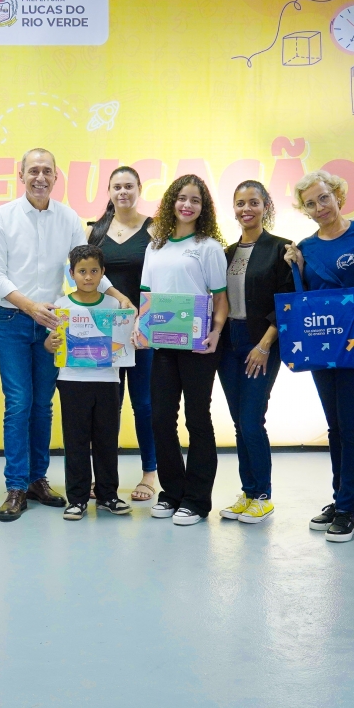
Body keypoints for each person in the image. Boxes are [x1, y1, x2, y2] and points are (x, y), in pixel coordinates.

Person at [0, 147, 133, 522]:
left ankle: (38, 479)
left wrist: (118, 296)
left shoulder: (68, 217)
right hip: (13, 321)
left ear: (55, 176)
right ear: (21, 175)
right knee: (19, 403)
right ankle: (16, 486)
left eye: (47, 171)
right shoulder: (1, 216)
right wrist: (30, 307)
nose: (40, 177)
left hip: (54, 323)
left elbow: (84, 264)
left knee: (43, 405)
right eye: (33, 170)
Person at [284, 170, 354, 543]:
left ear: (338, 195)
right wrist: (295, 266)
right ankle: (340, 498)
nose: (319, 207)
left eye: (324, 198)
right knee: (335, 427)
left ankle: (347, 511)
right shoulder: (305, 247)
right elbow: (307, 298)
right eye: (310, 203)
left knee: (352, 425)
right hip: (322, 344)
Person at [140, 174, 229, 526]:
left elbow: (220, 299)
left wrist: (216, 333)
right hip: (162, 344)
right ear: (171, 203)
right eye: (182, 198)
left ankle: (197, 500)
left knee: (197, 418)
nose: (187, 205)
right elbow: (147, 296)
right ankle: (172, 492)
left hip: (198, 345)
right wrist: (140, 327)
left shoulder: (209, 247)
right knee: (161, 418)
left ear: (203, 208)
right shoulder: (155, 245)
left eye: (195, 200)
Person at [216, 180, 294, 524]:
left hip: (260, 342)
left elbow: (286, 302)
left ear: (266, 207)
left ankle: (263, 495)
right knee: (239, 422)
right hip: (228, 343)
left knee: (251, 420)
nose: (246, 209)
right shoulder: (226, 253)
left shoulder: (280, 249)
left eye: (253, 202)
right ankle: (248, 493)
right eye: (240, 203)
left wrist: (264, 345)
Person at [45, 244, 133, 520]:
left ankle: (108, 495)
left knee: (107, 440)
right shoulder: (61, 306)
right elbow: (51, 344)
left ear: (102, 273)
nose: (88, 277)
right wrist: (50, 344)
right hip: (71, 381)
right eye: (82, 271)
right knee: (76, 441)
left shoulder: (114, 306)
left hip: (108, 380)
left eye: (94, 271)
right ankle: (78, 499)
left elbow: (123, 343)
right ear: (71, 273)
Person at [87, 166, 158, 502]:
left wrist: (147, 319)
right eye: (117, 187)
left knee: (144, 404)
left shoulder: (155, 229)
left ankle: (150, 473)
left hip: (143, 329)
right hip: (105, 331)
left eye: (129, 186)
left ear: (139, 189)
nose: (123, 192)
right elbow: (87, 277)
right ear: (109, 192)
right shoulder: (95, 231)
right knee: (106, 407)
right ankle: (104, 478)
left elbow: (161, 278)